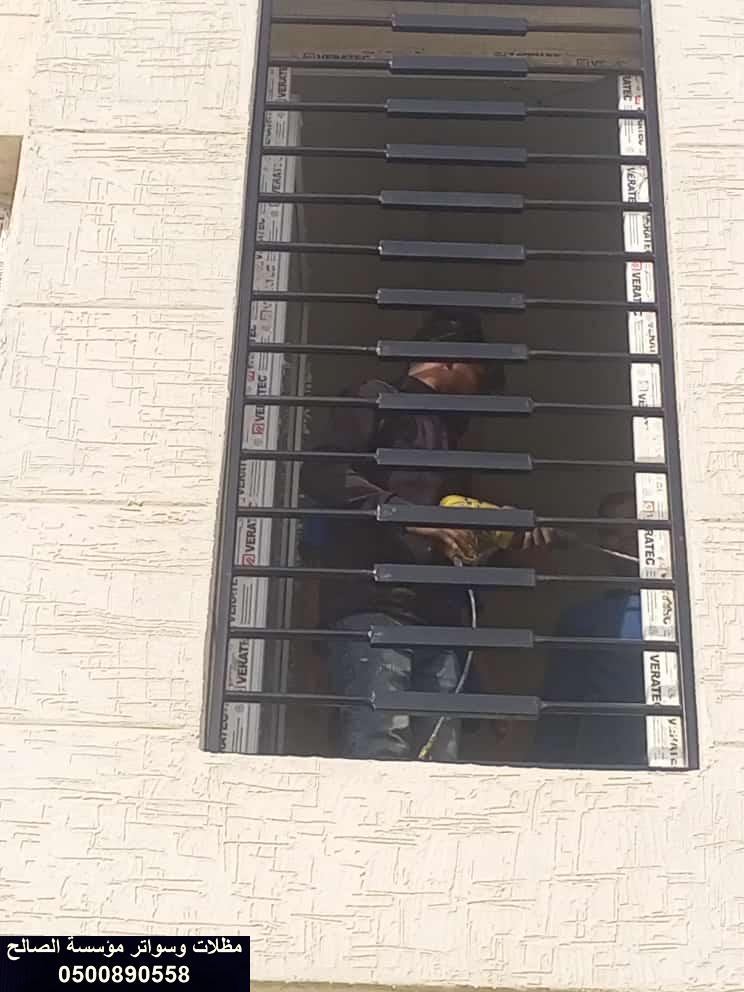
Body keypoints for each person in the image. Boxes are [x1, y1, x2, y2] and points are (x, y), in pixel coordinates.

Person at [301, 310, 553, 761]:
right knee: (379, 748)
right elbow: (324, 473)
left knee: (439, 764)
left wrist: (502, 535)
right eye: (481, 376)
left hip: (439, 621)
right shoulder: (379, 399)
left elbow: (456, 541)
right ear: (451, 357)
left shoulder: (450, 441)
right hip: (375, 609)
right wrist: (411, 516)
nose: (480, 392)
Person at [534, 490, 647, 766]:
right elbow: (558, 719)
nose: (626, 538)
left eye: (634, 526)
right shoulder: (582, 620)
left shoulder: (694, 610)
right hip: (610, 771)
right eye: (611, 532)